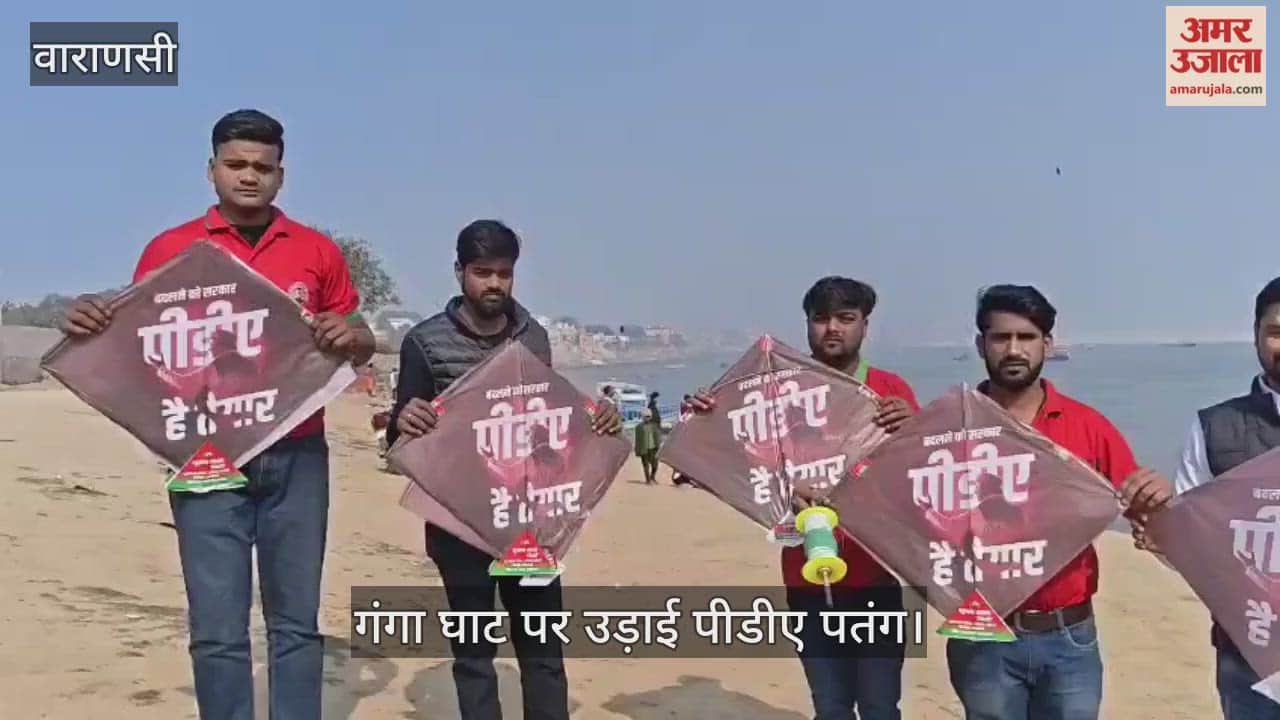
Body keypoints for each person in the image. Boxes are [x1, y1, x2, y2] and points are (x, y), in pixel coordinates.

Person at [60, 109, 376, 720]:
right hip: (204, 458)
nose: (249, 176)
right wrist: (90, 319)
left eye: (263, 167)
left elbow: (355, 331)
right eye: (236, 164)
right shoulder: (172, 250)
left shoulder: (317, 251)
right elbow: (137, 338)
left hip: (297, 453)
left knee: (296, 624)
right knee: (216, 627)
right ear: (211, 170)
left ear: (281, 175)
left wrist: (355, 336)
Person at [386, 219, 621, 720]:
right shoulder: (424, 343)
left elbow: (550, 419)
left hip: (530, 520)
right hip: (459, 524)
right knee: (474, 654)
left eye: (503, 273)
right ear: (459, 272)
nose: (493, 283)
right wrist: (406, 419)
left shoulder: (534, 337)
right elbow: (398, 440)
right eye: (482, 272)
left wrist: (598, 418)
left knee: (543, 650)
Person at [688, 276, 919, 720]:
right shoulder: (774, 389)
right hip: (805, 580)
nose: (832, 328)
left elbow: (921, 474)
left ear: (865, 326)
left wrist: (916, 425)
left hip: (875, 579)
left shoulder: (891, 390)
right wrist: (703, 417)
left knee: (880, 705)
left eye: (845, 318)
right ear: (807, 324)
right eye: (821, 318)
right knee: (830, 706)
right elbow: (728, 457)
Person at [945, 284, 1168, 720]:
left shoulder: (1088, 426)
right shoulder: (948, 427)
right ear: (981, 344)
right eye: (1001, 337)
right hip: (982, 634)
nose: (1014, 349)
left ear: (1046, 344)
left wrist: (1157, 497)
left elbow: (1143, 514)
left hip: (1069, 635)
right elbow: (907, 516)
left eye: (1026, 337)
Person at [1132, 277, 1280, 720]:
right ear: (1255, 334)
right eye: (1276, 331)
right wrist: (1159, 528)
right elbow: (1190, 545)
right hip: (1248, 651)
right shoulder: (1214, 427)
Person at [634, 408, 663, 484]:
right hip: (643, 449)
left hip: (653, 448)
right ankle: (648, 480)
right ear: (642, 417)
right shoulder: (638, 427)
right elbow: (637, 440)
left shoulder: (655, 426)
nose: (647, 418)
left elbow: (658, 437)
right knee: (646, 465)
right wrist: (637, 450)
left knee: (655, 465)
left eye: (648, 416)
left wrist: (659, 446)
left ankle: (652, 477)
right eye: (645, 416)